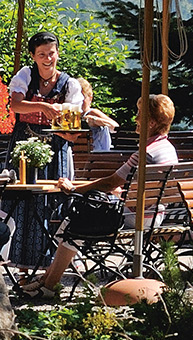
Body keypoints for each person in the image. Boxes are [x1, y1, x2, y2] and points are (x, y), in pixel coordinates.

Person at [19, 93, 179, 296]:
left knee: (76, 219)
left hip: (135, 217)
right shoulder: (167, 149)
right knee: (79, 218)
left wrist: (75, 189)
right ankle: (46, 280)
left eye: (140, 115)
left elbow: (111, 182)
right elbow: (126, 185)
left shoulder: (145, 152)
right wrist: (122, 192)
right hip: (155, 215)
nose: (136, 119)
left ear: (152, 122)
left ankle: (49, 285)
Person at [8, 31, 87, 179]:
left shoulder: (70, 84)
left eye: (51, 53)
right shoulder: (26, 75)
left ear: (57, 53)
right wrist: (43, 106)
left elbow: (72, 133)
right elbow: (15, 105)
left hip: (55, 146)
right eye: (41, 54)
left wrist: (68, 132)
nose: (48, 59)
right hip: (23, 143)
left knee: (53, 191)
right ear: (32, 56)